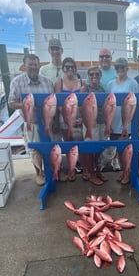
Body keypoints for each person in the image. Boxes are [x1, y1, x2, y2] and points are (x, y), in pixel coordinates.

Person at [8, 54, 54, 186]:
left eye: (35, 64)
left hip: (47, 121)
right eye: (30, 65)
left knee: (50, 148)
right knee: (34, 149)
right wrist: (25, 105)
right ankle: (39, 173)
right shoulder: (17, 81)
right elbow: (11, 103)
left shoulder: (47, 81)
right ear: (25, 66)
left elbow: (53, 101)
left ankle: (51, 171)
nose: (33, 67)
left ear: (39, 65)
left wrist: (54, 120)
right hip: (31, 122)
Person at [54, 57, 87, 181]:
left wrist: (82, 117)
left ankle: (85, 168)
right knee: (68, 145)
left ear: (75, 68)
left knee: (81, 145)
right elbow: (58, 104)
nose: (70, 69)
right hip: (65, 119)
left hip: (79, 119)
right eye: (67, 67)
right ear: (63, 68)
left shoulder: (82, 82)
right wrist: (70, 120)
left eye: (72, 66)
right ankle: (71, 169)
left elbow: (85, 104)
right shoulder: (59, 83)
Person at [107, 57, 139, 185]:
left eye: (122, 67)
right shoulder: (111, 84)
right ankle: (124, 172)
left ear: (127, 68)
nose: (120, 69)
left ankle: (128, 173)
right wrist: (108, 124)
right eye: (117, 67)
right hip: (113, 122)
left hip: (126, 123)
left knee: (126, 149)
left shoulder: (133, 83)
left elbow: (138, 103)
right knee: (119, 150)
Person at [81, 66, 107, 185]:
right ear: (88, 76)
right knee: (89, 148)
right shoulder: (84, 89)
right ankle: (91, 174)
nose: (94, 77)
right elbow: (81, 108)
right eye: (91, 75)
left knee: (100, 149)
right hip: (90, 123)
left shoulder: (102, 89)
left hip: (102, 123)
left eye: (97, 74)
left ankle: (98, 171)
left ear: (100, 76)